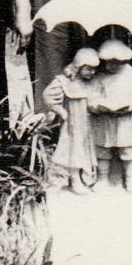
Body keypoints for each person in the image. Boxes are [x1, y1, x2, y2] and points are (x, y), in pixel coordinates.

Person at [87, 39, 132, 192]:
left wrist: (128, 106)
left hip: (124, 120)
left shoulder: (129, 73)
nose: (112, 65)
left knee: (128, 150)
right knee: (102, 151)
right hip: (104, 120)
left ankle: (131, 177)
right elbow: (90, 96)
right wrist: (97, 107)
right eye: (109, 62)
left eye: (116, 62)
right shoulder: (99, 75)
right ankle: (103, 177)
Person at [42, 47, 100, 195]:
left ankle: (83, 177)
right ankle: (74, 181)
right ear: (78, 66)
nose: (91, 73)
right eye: (88, 69)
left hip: (88, 123)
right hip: (73, 123)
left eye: (94, 69)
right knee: (75, 150)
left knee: (85, 150)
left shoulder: (91, 82)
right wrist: (60, 110)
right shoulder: (64, 81)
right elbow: (48, 95)